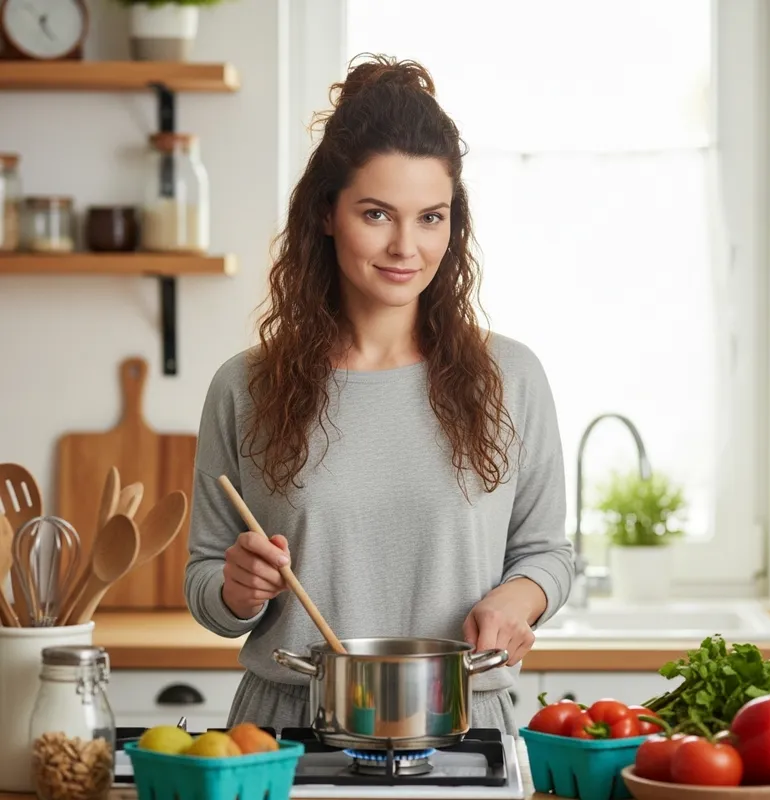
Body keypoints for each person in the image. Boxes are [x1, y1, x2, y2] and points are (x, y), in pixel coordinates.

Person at [185, 54, 575, 736]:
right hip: (287, 732)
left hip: (465, 728)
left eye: (432, 217)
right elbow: (207, 580)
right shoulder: (245, 386)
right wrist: (234, 589)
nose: (406, 246)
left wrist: (521, 597)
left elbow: (547, 551)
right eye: (376, 213)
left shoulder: (510, 377)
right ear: (327, 213)